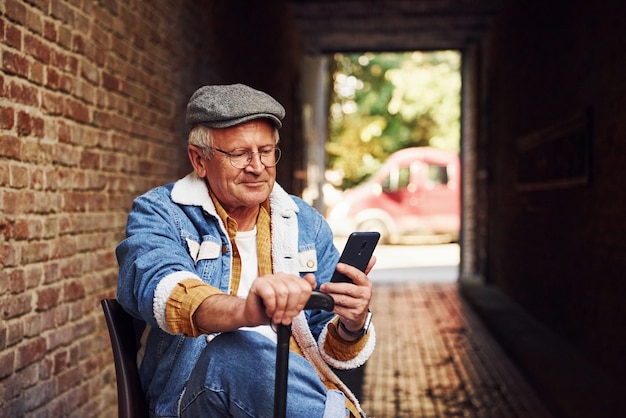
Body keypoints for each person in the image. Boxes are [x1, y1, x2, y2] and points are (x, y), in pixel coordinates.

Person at [116, 84, 376, 418]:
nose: (257, 167)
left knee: (277, 361)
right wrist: (247, 312)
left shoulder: (305, 224)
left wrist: (351, 323)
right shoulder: (161, 213)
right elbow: (164, 291)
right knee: (238, 349)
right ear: (199, 159)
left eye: (266, 152)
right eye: (240, 154)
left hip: (287, 401)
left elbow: (330, 351)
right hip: (195, 400)